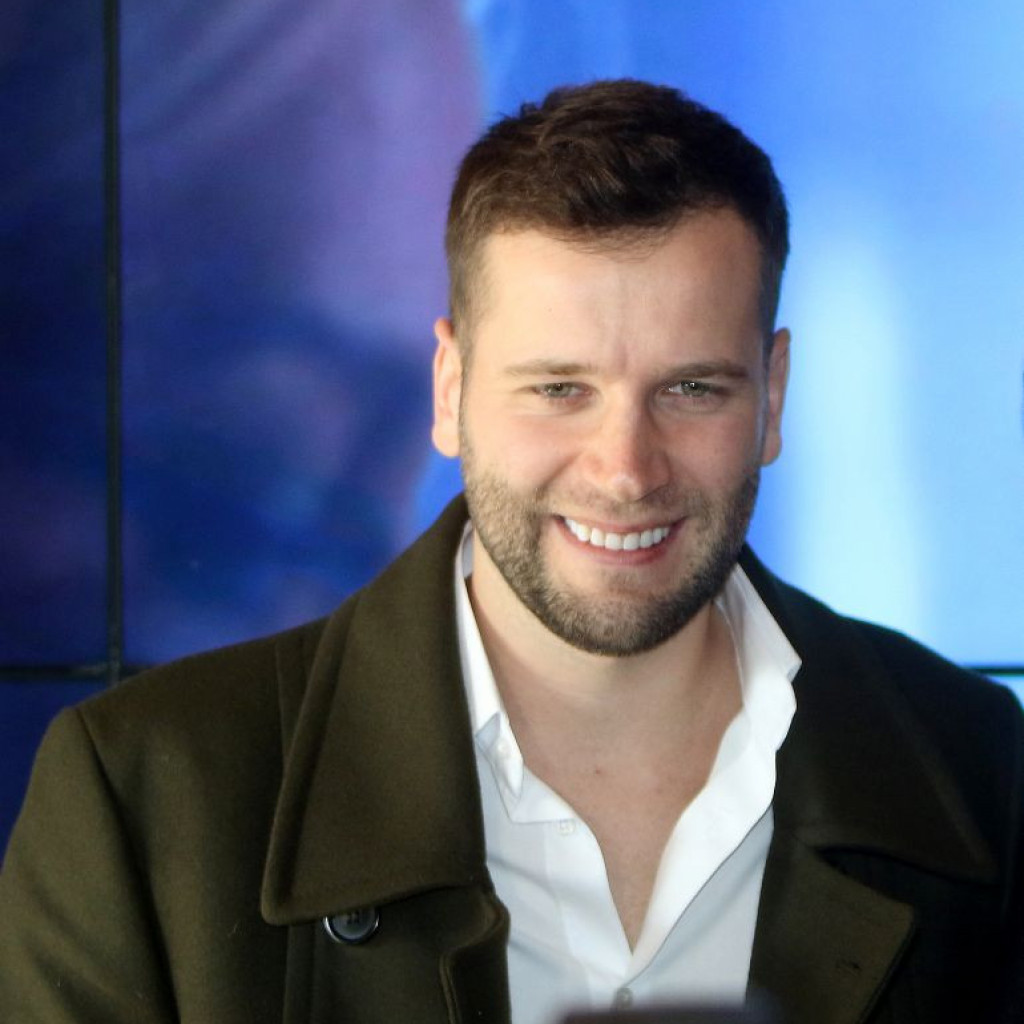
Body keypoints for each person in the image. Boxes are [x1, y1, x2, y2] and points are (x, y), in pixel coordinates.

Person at [1, 79, 1021, 1024]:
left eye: (690, 389)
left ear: (773, 395)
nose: (625, 470)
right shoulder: (144, 798)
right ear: (449, 390)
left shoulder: (982, 775)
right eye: (558, 389)